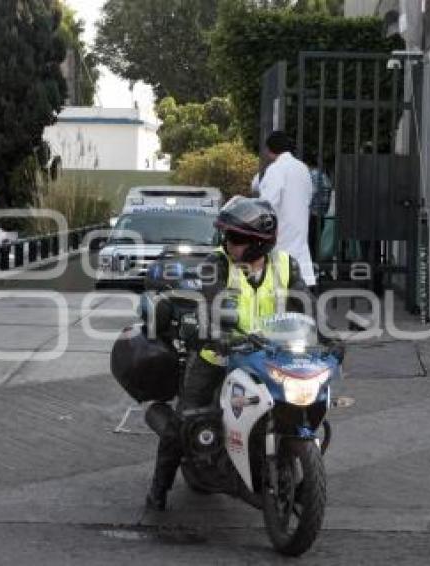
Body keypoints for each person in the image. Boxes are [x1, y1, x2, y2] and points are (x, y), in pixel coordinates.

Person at [146, 196, 317, 511]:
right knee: (183, 422)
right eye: (226, 235)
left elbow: (305, 302)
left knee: (305, 403)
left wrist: (330, 337)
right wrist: (216, 334)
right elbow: (212, 302)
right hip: (219, 355)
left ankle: (299, 474)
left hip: (270, 357)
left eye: (235, 237)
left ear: (257, 243)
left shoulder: (284, 265)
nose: (228, 242)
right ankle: (159, 488)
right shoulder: (217, 264)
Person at [258, 131, 317, 287]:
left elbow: (266, 204)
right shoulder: (303, 169)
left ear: (270, 151)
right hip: (300, 232)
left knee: (280, 283)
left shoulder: (276, 169)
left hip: (280, 237)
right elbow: (309, 196)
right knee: (299, 284)